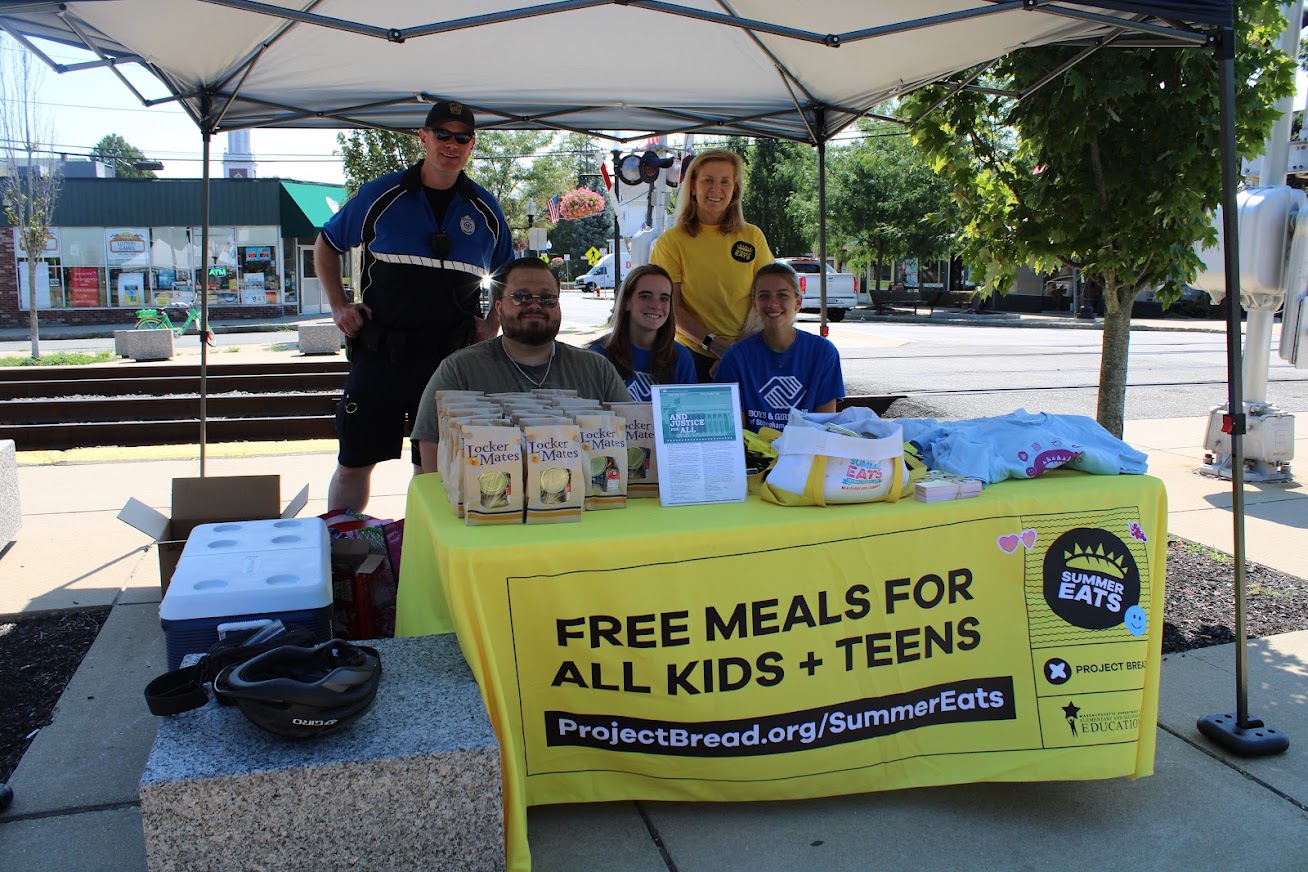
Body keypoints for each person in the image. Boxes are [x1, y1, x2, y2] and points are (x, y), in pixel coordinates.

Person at [315, 100, 514, 513]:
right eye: (442, 134)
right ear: (423, 138)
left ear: (472, 145)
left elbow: (508, 273)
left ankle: (427, 561)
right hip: (379, 357)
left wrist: (491, 321)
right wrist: (338, 307)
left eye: (462, 137)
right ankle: (342, 556)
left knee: (435, 470)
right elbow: (327, 245)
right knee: (354, 464)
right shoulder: (381, 195)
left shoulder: (485, 208)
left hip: (449, 363)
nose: (451, 144)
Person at [412, 258, 632, 473]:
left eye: (547, 298)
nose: (535, 305)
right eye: (521, 297)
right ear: (498, 308)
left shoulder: (596, 370)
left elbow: (632, 437)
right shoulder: (459, 370)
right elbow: (430, 444)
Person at [650, 148, 773, 383]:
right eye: (708, 180)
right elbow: (670, 305)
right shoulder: (671, 241)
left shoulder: (752, 236)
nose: (716, 189)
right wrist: (713, 344)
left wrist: (736, 349)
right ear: (693, 187)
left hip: (748, 350)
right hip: (692, 355)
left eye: (725, 181)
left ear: (735, 189)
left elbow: (767, 296)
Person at [714, 262, 844, 433]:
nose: (773, 304)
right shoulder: (736, 358)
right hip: (754, 457)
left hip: (807, 455)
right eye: (764, 296)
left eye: (782, 295)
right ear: (754, 304)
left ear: (798, 302)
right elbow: (735, 433)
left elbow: (826, 427)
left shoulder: (823, 353)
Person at [588, 264, 697, 401]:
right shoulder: (598, 356)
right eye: (645, 296)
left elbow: (688, 416)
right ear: (627, 302)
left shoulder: (681, 357)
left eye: (664, 298)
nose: (655, 305)